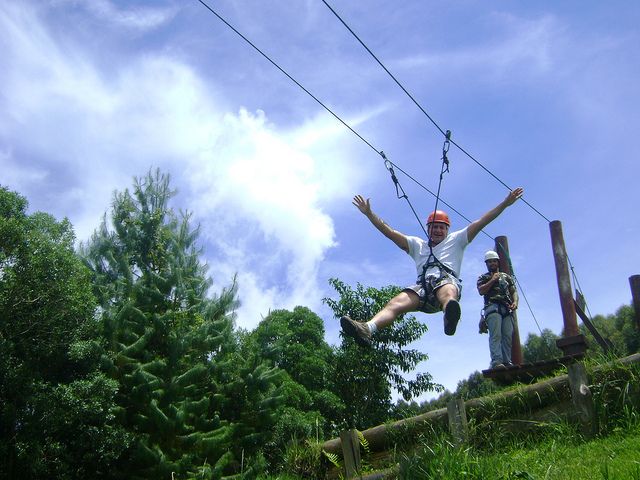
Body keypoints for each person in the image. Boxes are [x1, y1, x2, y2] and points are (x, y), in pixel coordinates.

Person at [340, 187, 524, 347]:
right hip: (422, 290)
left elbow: (482, 221)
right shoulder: (417, 244)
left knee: (447, 289)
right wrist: (369, 214)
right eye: (434, 227)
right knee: (395, 303)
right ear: (428, 229)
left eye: (442, 227)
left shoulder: (457, 240)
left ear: (447, 230)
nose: (438, 230)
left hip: (446, 284)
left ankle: (449, 315)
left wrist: (505, 203)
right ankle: (368, 328)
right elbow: (389, 232)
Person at [477, 250, 518, 368]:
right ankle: (497, 361)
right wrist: (492, 280)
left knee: (507, 336)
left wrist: (515, 302)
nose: (492, 263)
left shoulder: (506, 277)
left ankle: (507, 361)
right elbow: (481, 291)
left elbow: (513, 291)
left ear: (498, 262)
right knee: (496, 335)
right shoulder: (483, 277)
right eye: (489, 262)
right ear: (486, 264)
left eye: (494, 261)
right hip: (492, 307)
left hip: (506, 307)